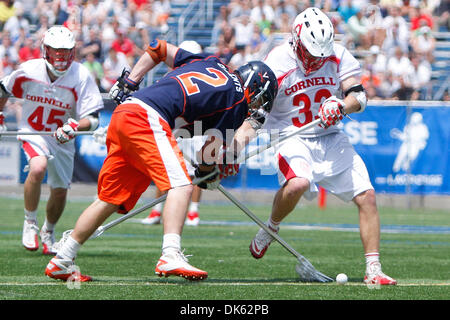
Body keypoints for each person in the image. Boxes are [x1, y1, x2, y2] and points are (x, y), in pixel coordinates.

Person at [44, 38, 278, 282]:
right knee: (182, 184)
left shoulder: (210, 61)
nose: (257, 106)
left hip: (125, 111)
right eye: (260, 99)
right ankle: (170, 253)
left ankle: (62, 259)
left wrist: (130, 81)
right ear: (255, 86)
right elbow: (208, 153)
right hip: (147, 117)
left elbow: (158, 47)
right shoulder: (238, 101)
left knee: (110, 199)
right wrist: (210, 173)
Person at [247, 7, 397, 285]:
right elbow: (258, 111)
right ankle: (271, 227)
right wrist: (234, 147)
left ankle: (374, 269)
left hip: (330, 136)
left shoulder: (337, 55)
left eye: (321, 53)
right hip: (290, 135)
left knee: (368, 197)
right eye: (311, 52)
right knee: (298, 184)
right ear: (296, 40)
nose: (317, 59)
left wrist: (341, 105)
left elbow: (359, 97)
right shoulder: (278, 60)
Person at [0, 25, 104, 255]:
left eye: (65, 50)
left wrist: (74, 125)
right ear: (45, 50)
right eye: (56, 50)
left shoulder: (81, 75)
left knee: (60, 190)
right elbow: (3, 89)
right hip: (33, 130)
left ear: (73, 51)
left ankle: (49, 231)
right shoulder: (29, 70)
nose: (60, 55)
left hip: (63, 138)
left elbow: (94, 119)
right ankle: (30, 222)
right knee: (38, 167)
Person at [141, 40, 205, 227]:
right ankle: (158, 209)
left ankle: (192, 211)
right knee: (167, 167)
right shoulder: (173, 77)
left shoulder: (197, 76)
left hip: (197, 126)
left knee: (196, 170)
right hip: (177, 126)